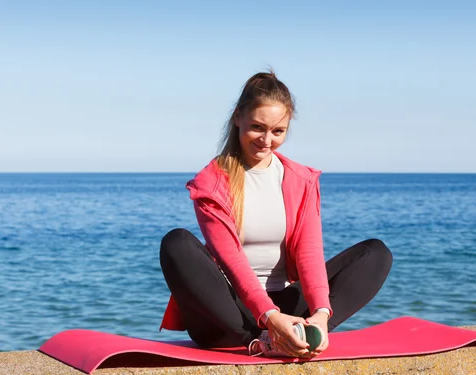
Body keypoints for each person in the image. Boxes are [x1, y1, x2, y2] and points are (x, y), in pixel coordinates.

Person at [158, 70, 393, 358]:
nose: (266, 140)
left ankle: (302, 333)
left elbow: (309, 252)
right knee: (176, 242)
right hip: (226, 314)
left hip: (285, 306)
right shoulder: (211, 183)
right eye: (257, 127)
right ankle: (263, 338)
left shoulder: (300, 179)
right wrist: (269, 317)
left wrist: (320, 313)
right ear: (237, 118)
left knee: (376, 253)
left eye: (278, 131)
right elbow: (231, 261)